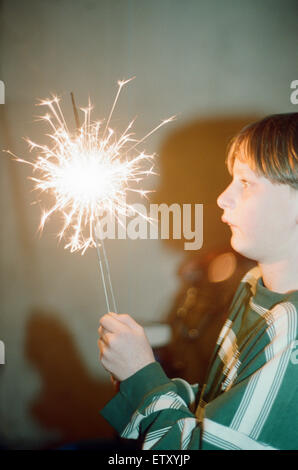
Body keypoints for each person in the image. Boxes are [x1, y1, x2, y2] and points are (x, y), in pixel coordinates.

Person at [98, 113, 298, 450]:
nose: (223, 197)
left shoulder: (290, 329)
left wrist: (142, 376)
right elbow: (221, 404)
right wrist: (144, 378)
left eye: (246, 183)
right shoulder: (253, 285)